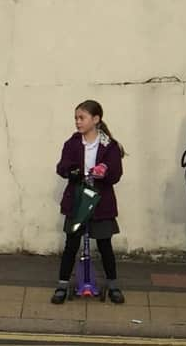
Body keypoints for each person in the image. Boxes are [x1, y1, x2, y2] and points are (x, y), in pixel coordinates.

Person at [51, 100, 126, 305]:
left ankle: (113, 285)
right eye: (76, 118)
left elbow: (116, 173)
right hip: (77, 201)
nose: (77, 122)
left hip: (101, 202)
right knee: (71, 244)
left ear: (96, 119)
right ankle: (62, 285)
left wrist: (105, 172)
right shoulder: (72, 143)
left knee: (104, 245)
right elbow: (62, 166)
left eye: (81, 118)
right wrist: (71, 171)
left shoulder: (109, 146)